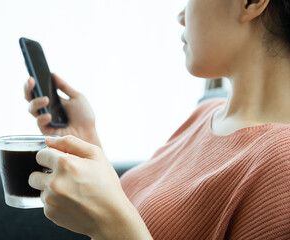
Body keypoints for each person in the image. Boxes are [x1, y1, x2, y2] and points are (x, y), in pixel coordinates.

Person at [24, 0, 290, 239]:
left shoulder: (283, 165)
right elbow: (140, 217)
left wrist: (110, 226)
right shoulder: (206, 114)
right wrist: (85, 139)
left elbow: (122, 227)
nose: (181, 15)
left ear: (251, 3)